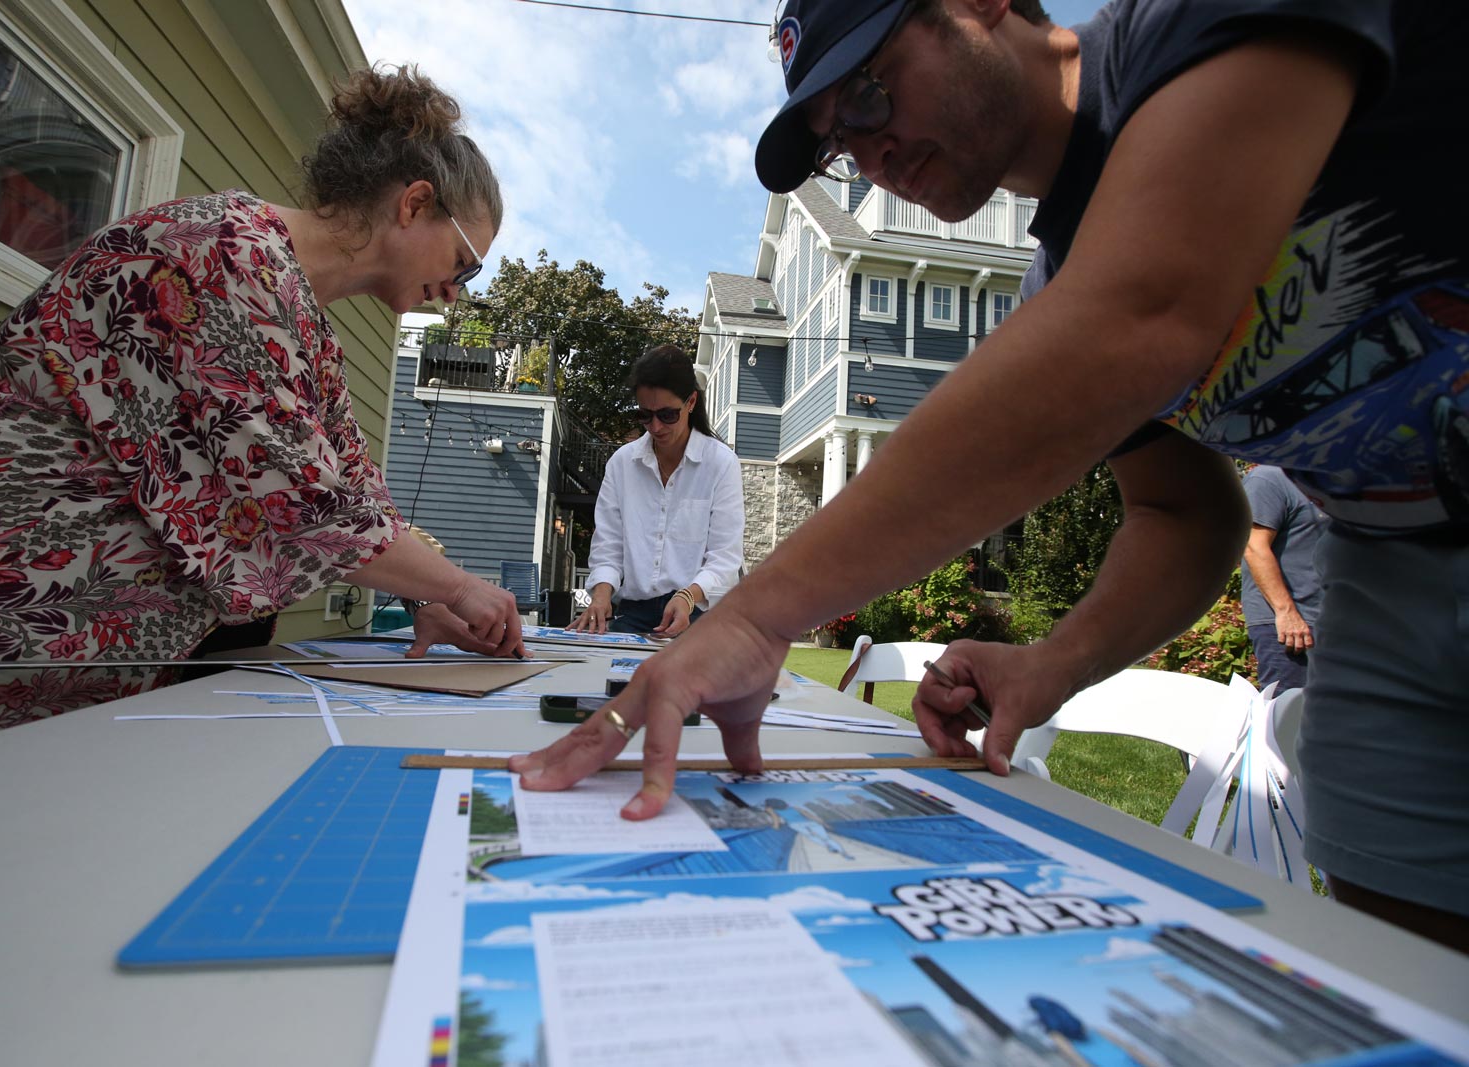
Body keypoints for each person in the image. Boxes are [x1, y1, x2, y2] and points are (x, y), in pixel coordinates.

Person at [514, 0, 1469, 952]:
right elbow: (1183, 514)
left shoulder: (1189, 26)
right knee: (1412, 974)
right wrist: (1050, 664)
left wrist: (760, 614)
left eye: (869, 93)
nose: (868, 149)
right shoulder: (1058, 284)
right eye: (839, 141)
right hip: (1388, 575)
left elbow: (1142, 313)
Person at [0, 66, 525, 756]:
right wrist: (461, 585)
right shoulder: (220, 253)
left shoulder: (308, 331)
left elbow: (357, 498)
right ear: (415, 204)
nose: (456, 293)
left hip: (23, 670)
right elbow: (303, 505)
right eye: (466, 262)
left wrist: (430, 601)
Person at [569, 345, 744, 637]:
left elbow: (725, 558)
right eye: (645, 415)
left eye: (667, 414)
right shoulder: (622, 464)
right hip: (632, 612)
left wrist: (687, 597)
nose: (656, 426)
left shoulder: (721, 464)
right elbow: (608, 547)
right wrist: (600, 595)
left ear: (691, 403)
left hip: (699, 615)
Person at [1240, 465, 1329, 693]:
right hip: (1288, 625)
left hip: (1333, 623)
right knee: (1287, 717)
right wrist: (1286, 612)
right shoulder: (1270, 478)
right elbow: (1253, 546)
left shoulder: (1335, 485)